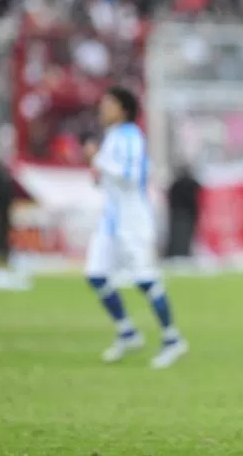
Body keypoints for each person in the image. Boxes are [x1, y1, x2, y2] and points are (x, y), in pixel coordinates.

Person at [83, 86, 188, 369]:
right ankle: (127, 332)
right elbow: (107, 178)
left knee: (144, 279)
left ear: (123, 110)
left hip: (133, 222)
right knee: (95, 275)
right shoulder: (112, 138)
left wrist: (98, 160)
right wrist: (98, 170)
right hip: (110, 222)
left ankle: (172, 338)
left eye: (109, 104)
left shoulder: (131, 137)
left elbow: (131, 175)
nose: (103, 108)